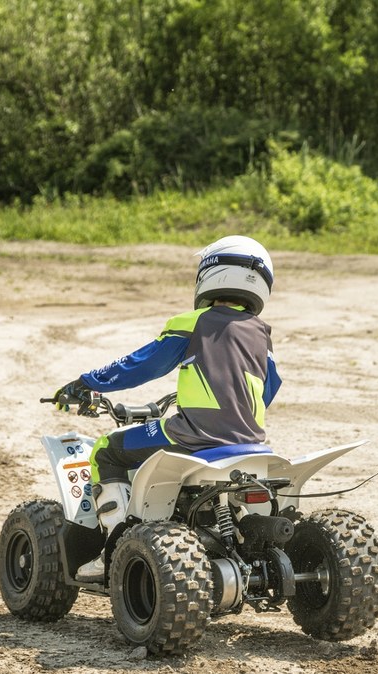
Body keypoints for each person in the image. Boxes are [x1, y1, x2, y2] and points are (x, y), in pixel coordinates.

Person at [53, 235, 281, 582]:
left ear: (210, 274)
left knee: (105, 451)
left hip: (192, 437)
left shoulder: (192, 322)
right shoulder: (262, 334)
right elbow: (271, 385)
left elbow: (141, 365)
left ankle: (112, 549)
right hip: (251, 444)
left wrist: (87, 382)